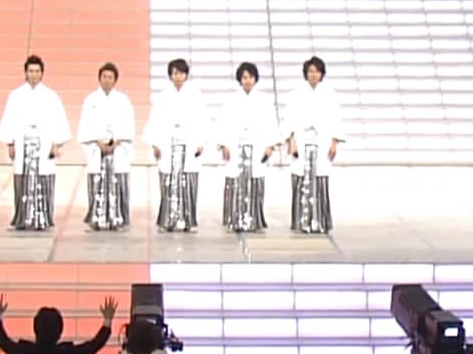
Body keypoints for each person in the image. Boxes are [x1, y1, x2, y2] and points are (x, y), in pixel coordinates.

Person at [0, 55, 72, 231]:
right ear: (26, 72)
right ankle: (21, 219)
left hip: (44, 144)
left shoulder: (51, 96)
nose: (34, 74)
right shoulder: (16, 95)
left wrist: (57, 144)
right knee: (22, 179)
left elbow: (59, 121)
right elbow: (9, 120)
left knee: (44, 178)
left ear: (42, 73)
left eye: (37, 71)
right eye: (31, 71)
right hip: (23, 144)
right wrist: (10, 143)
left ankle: (43, 218)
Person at [143, 58, 212, 232]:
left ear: (186, 75)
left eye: (181, 73)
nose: (178, 77)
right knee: (168, 183)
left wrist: (201, 142)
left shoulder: (195, 95)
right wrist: (155, 144)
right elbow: (155, 120)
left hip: (189, 145)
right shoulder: (163, 96)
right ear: (170, 75)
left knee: (188, 182)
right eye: (175, 73)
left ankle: (188, 221)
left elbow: (203, 120)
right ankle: (167, 221)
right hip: (168, 145)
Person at [282, 55, 346, 233]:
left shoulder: (330, 94)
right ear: (306, 73)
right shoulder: (296, 94)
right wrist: (291, 141)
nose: (314, 74)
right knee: (300, 178)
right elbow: (289, 119)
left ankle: (320, 221)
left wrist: (334, 142)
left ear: (322, 73)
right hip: (301, 140)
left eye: (317, 71)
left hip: (322, 141)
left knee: (320, 179)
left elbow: (336, 119)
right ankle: (301, 221)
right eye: (310, 71)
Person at [215, 61, 279, 233]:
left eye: (250, 77)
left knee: (255, 181)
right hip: (236, 145)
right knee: (235, 181)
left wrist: (270, 145)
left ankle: (254, 219)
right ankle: (234, 218)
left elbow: (271, 124)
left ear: (255, 79)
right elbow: (222, 123)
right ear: (240, 79)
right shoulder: (231, 100)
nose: (247, 80)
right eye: (244, 77)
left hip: (256, 146)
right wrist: (223, 144)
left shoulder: (264, 100)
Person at [77, 62, 135, 230]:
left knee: (119, 180)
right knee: (97, 180)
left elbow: (128, 124)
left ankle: (119, 217)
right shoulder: (91, 100)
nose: (107, 80)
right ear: (99, 78)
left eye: (110, 77)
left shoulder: (123, 100)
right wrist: (97, 141)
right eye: (104, 77)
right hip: (97, 146)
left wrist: (117, 141)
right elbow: (86, 124)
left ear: (115, 80)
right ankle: (97, 216)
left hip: (118, 146)